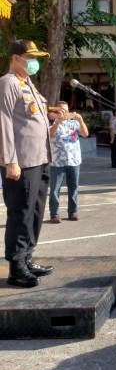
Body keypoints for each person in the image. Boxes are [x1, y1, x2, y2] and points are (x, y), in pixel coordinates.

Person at [0, 39, 59, 288]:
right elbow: (3, 121)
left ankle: (28, 257)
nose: (35, 62)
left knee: (35, 211)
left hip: (41, 158)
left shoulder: (29, 84)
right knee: (21, 213)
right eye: (30, 57)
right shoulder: (8, 83)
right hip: (21, 162)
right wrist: (9, 161)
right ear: (16, 58)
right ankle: (16, 266)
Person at [48, 101, 89, 223]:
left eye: (66, 110)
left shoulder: (74, 123)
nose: (64, 112)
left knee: (73, 187)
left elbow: (85, 134)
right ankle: (54, 214)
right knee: (55, 189)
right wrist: (59, 120)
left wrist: (81, 120)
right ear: (56, 111)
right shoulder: (51, 123)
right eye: (61, 110)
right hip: (57, 161)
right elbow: (50, 135)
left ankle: (73, 212)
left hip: (74, 160)